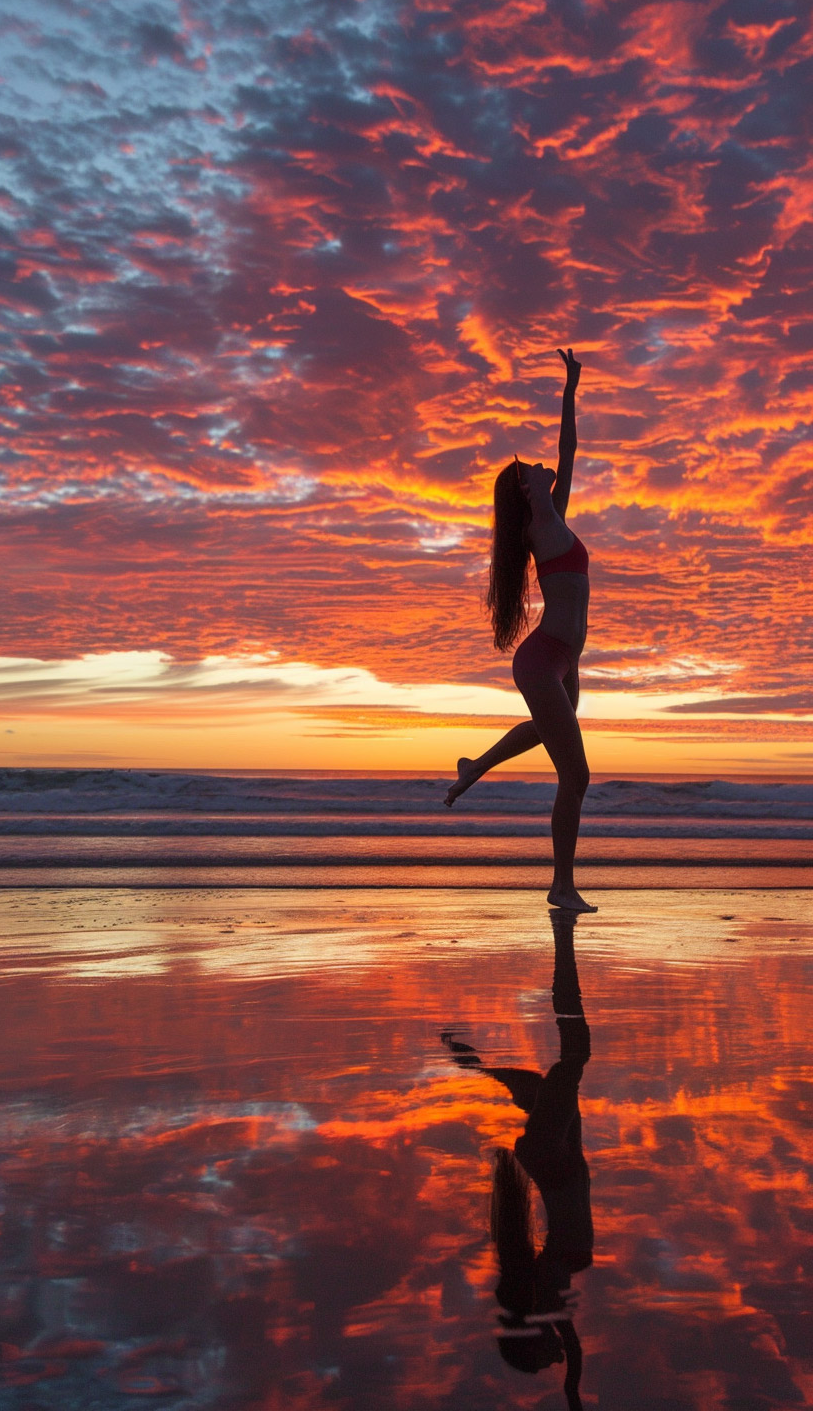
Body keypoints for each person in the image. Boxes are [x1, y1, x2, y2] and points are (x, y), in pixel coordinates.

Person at [445, 347, 595, 913]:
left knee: (543, 732)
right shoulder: (540, 525)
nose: (541, 464)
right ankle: (561, 885)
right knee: (576, 775)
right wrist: (568, 387)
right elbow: (563, 452)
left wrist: (571, 386)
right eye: (529, 468)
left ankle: (475, 767)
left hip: (564, 660)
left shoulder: (554, 514)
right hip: (544, 657)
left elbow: (569, 448)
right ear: (527, 491)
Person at [441, 913, 593, 1410]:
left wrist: (571, 1390)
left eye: (540, 1359)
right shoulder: (544, 1300)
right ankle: (476, 1064)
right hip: (557, 1162)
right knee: (547, 1080)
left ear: (529, 1340)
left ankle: (564, 948)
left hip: (557, 1164)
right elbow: (569, 1348)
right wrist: (571, 1387)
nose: (554, 1359)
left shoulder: (541, 1297)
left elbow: (568, 1350)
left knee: (572, 1060)